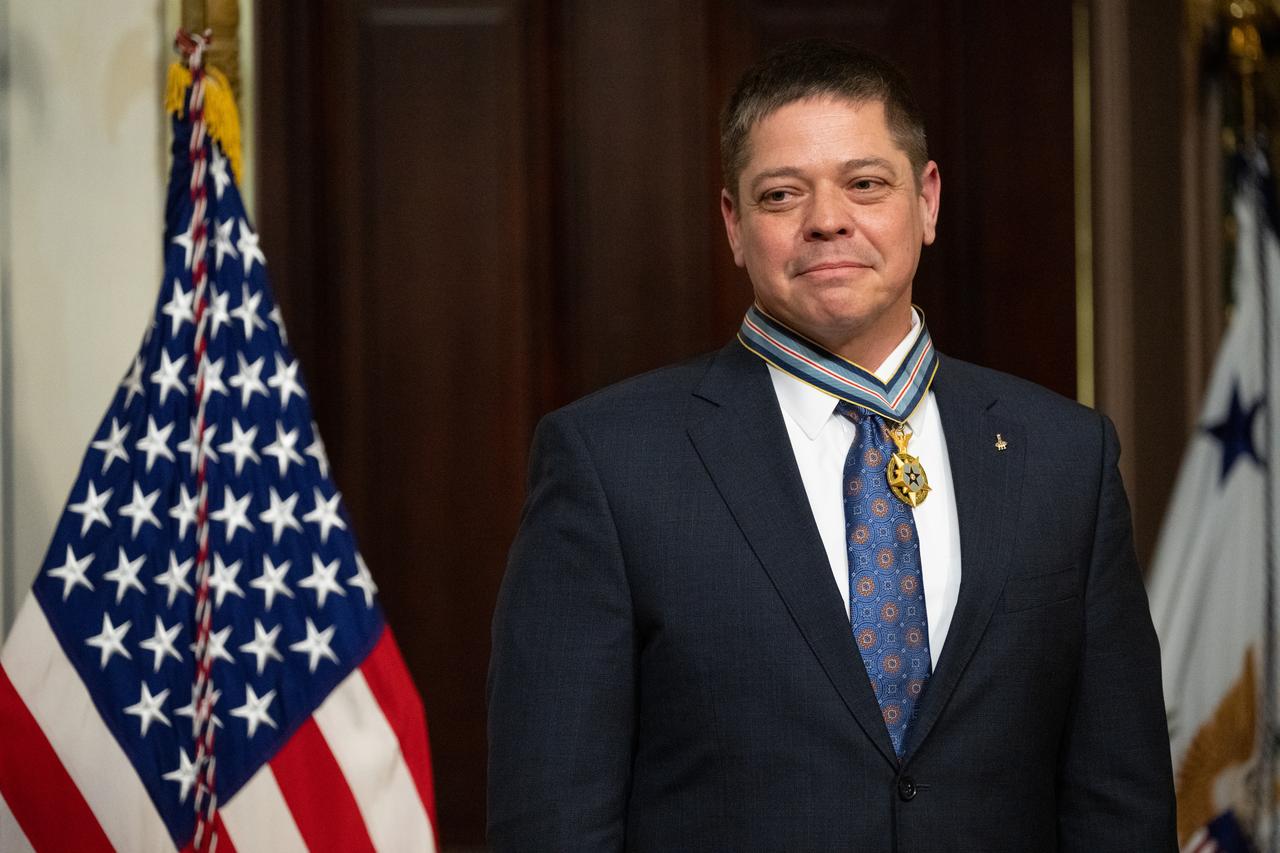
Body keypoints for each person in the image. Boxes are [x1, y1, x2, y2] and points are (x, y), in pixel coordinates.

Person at [487, 38, 1176, 851]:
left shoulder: (1066, 456)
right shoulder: (610, 463)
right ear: (734, 225)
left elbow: (1118, 806)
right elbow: (553, 820)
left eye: (865, 183)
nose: (827, 219)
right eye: (782, 194)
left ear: (926, 200)